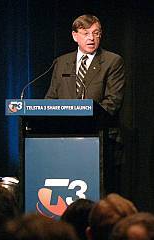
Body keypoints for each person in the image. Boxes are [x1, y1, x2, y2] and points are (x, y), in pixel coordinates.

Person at [45, 14, 126, 193]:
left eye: (96, 33)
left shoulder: (112, 61)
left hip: (101, 140)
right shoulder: (62, 62)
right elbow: (51, 99)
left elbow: (112, 102)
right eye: (86, 33)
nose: (91, 38)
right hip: (63, 141)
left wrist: (83, 120)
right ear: (75, 36)